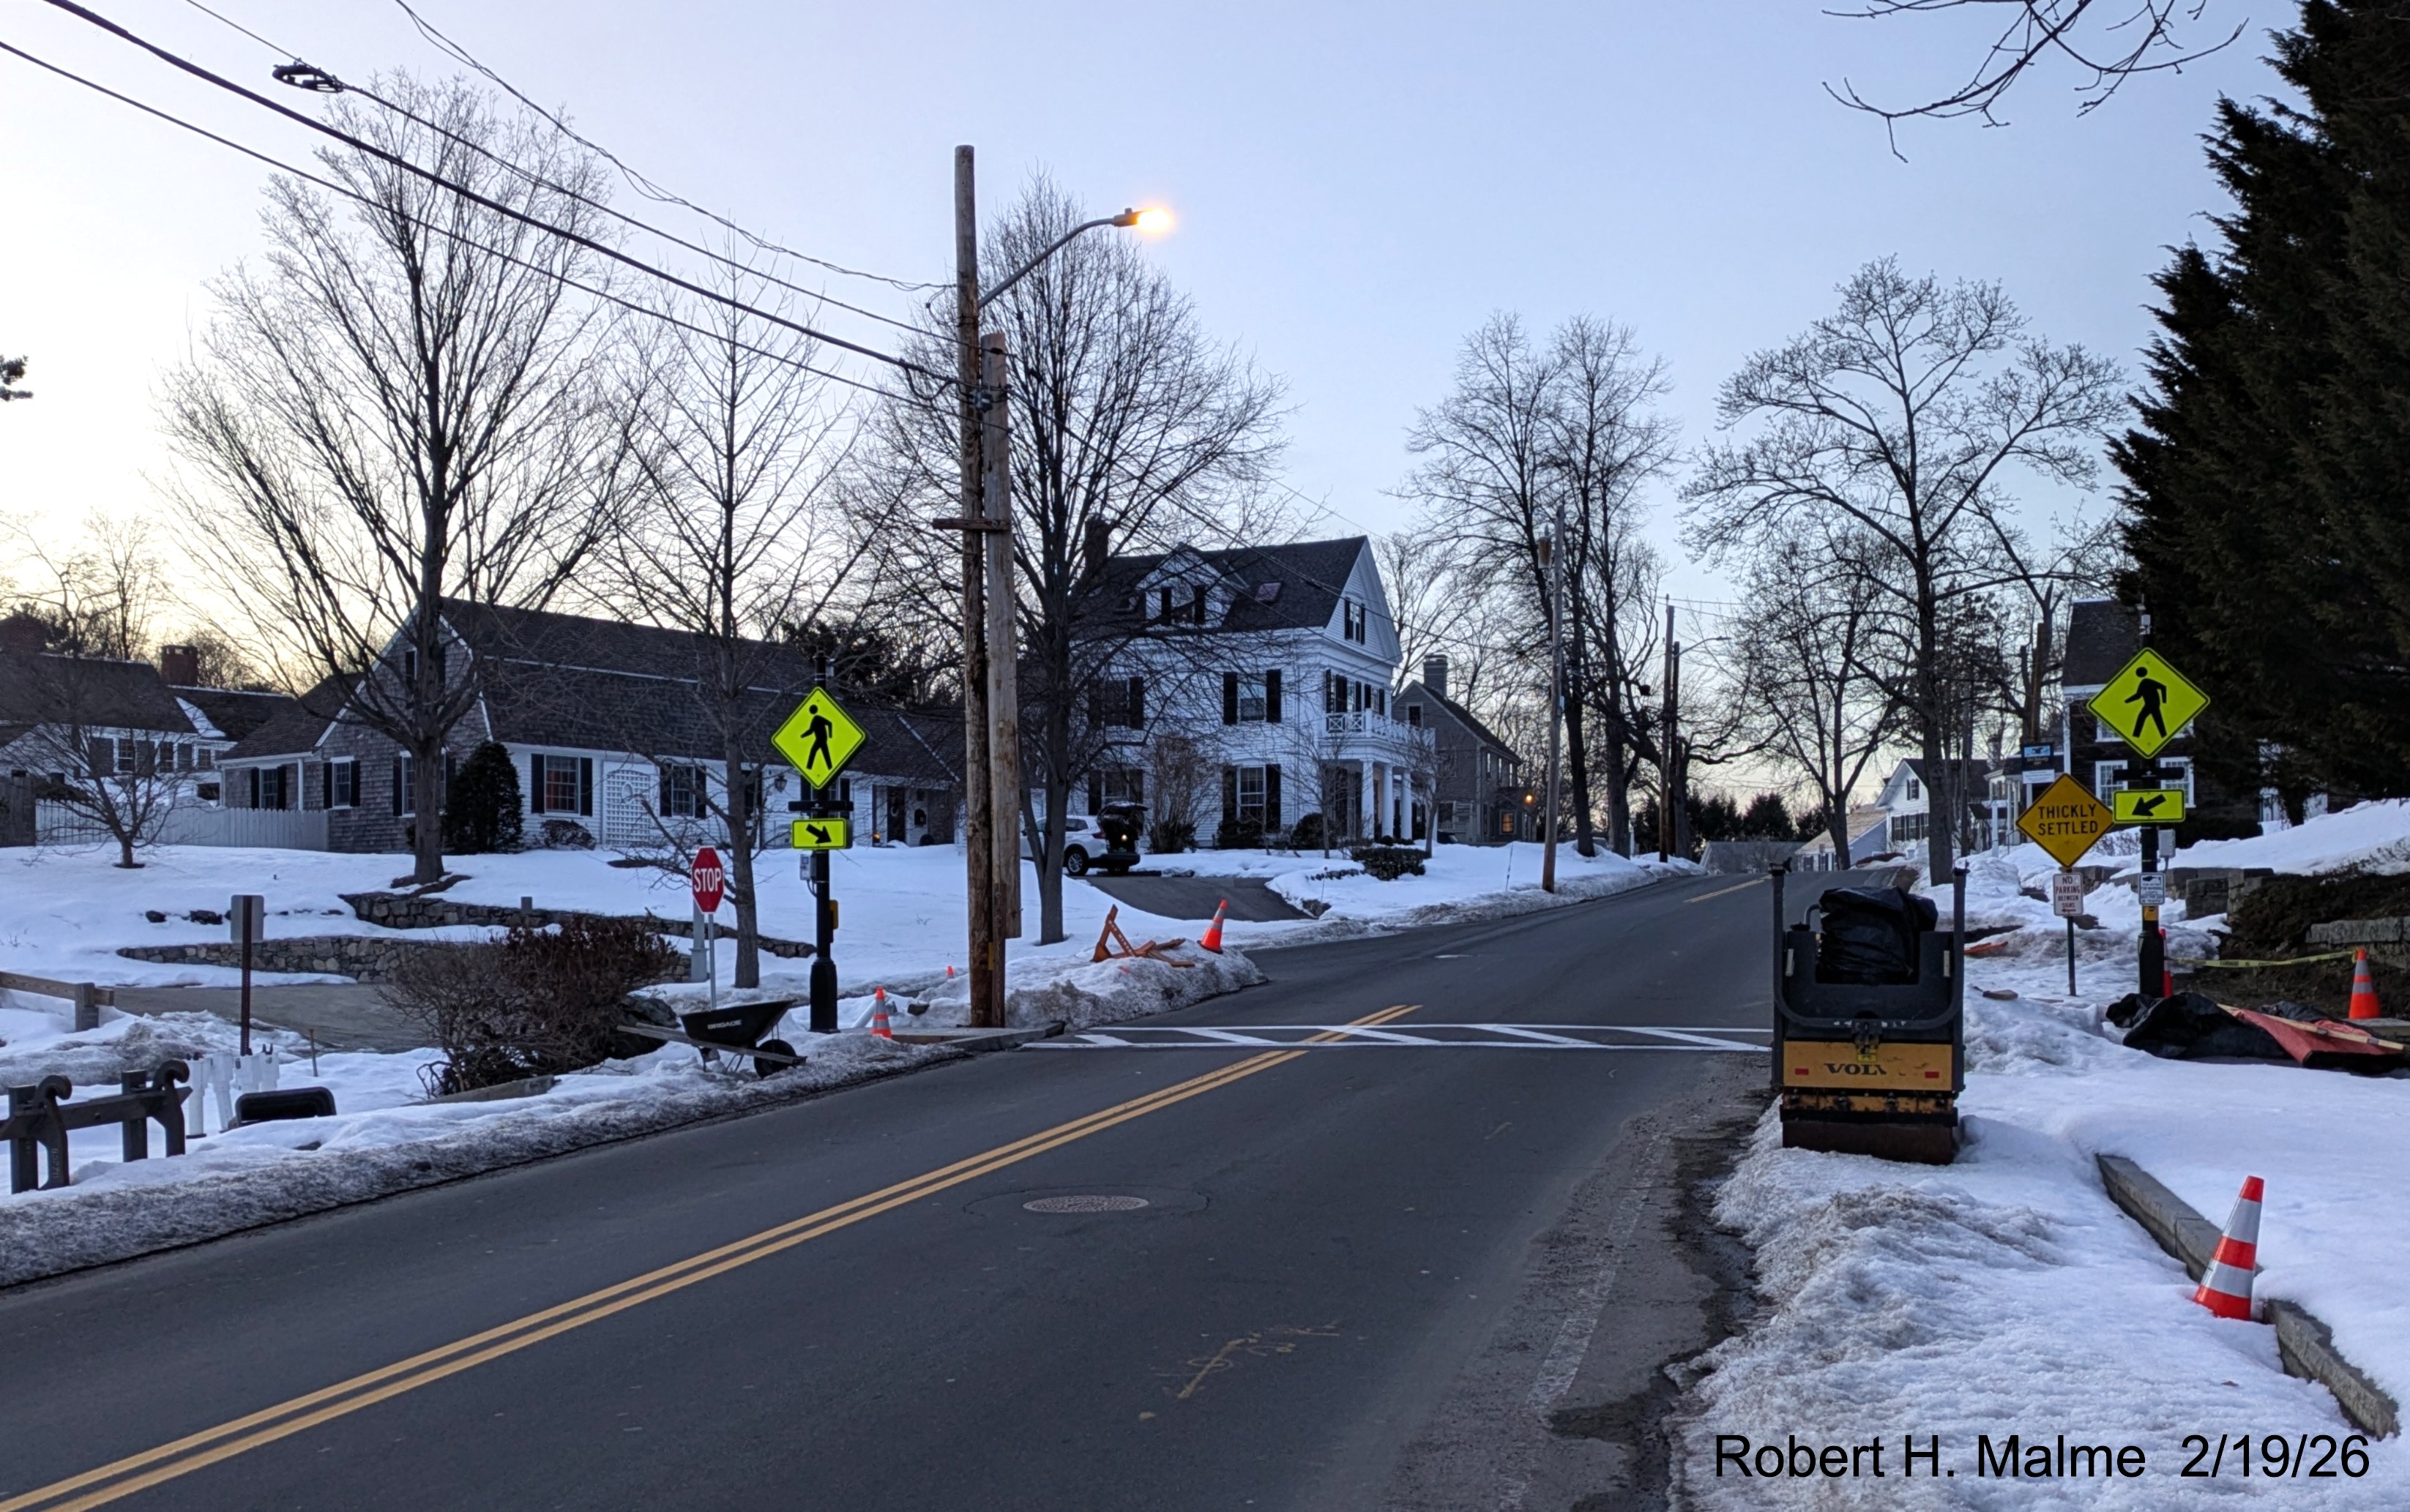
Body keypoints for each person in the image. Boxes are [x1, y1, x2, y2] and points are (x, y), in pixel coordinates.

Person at [2124, 664, 2171, 742]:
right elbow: (2138, 696)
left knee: (2142, 718)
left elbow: (2163, 687)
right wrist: (2127, 701)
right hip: (2152, 705)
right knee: (2157, 720)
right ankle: (2163, 735)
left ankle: (2136, 735)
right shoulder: (2144, 682)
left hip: (2151, 705)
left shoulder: (2146, 681)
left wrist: (2164, 701)